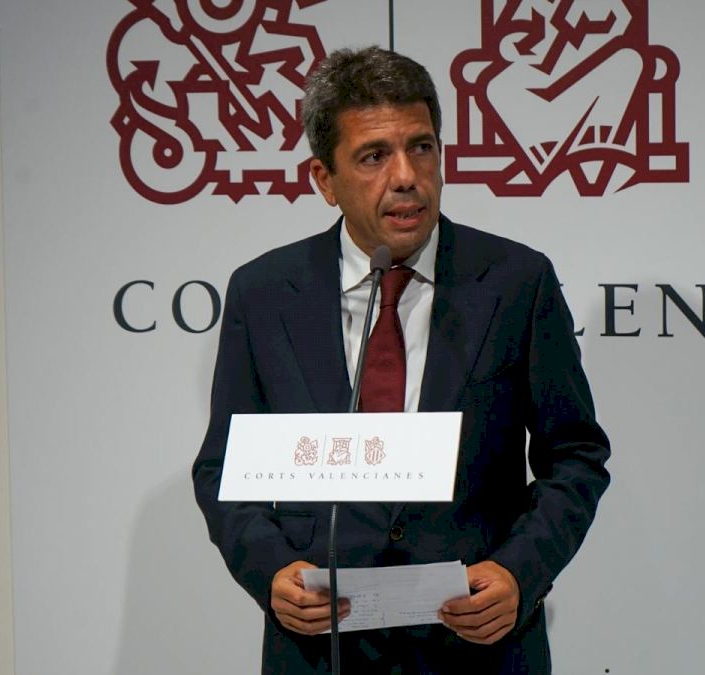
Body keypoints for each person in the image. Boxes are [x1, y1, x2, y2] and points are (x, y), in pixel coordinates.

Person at [193, 46, 610, 674]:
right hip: (322, 650)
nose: (407, 176)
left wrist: (518, 572)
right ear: (324, 180)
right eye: (374, 156)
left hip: (478, 648)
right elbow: (224, 469)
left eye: (421, 147)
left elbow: (575, 455)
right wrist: (272, 571)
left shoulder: (516, 281)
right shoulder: (264, 293)